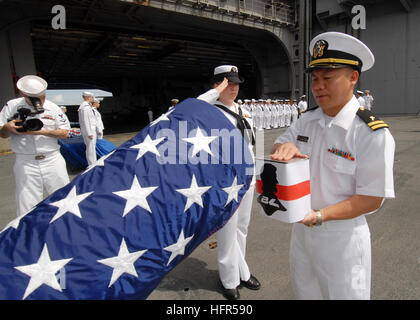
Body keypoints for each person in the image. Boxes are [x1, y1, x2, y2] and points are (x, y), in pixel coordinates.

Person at [270, 32, 395, 300]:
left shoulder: (371, 132)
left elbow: (372, 198)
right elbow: (279, 146)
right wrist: (284, 148)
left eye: (328, 78)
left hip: (343, 240)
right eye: (315, 79)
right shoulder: (307, 120)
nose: (318, 86)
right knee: (306, 294)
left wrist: (320, 216)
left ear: (353, 78)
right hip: (302, 234)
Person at [197, 65, 260, 300]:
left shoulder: (243, 110)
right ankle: (229, 279)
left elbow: (252, 143)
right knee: (227, 230)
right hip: (225, 181)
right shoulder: (210, 110)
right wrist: (216, 91)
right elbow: (194, 105)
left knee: (242, 228)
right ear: (217, 85)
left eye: (236, 84)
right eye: (228, 84)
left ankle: (242, 272)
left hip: (247, 177)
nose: (234, 88)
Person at [0, 75, 70, 217]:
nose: (39, 100)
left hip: (52, 159)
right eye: (32, 97)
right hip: (26, 162)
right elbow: (2, 134)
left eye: (41, 96)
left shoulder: (53, 108)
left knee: (64, 198)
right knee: (26, 204)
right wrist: (7, 127)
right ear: (23, 94)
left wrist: (38, 132)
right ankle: (29, 234)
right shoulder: (11, 106)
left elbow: (65, 133)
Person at [78, 91, 97, 166]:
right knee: (90, 149)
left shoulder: (87, 106)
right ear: (88, 97)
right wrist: (89, 133)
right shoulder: (85, 107)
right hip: (90, 131)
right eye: (92, 97)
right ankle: (92, 164)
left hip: (91, 130)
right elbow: (86, 121)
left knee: (92, 148)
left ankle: (93, 163)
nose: (93, 99)